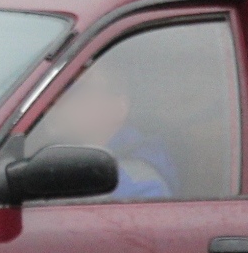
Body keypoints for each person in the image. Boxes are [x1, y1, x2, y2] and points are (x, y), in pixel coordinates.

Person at [30, 62, 177, 200]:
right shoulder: (62, 163)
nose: (55, 102)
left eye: (77, 89)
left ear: (118, 108)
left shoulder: (140, 186)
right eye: (56, 91)